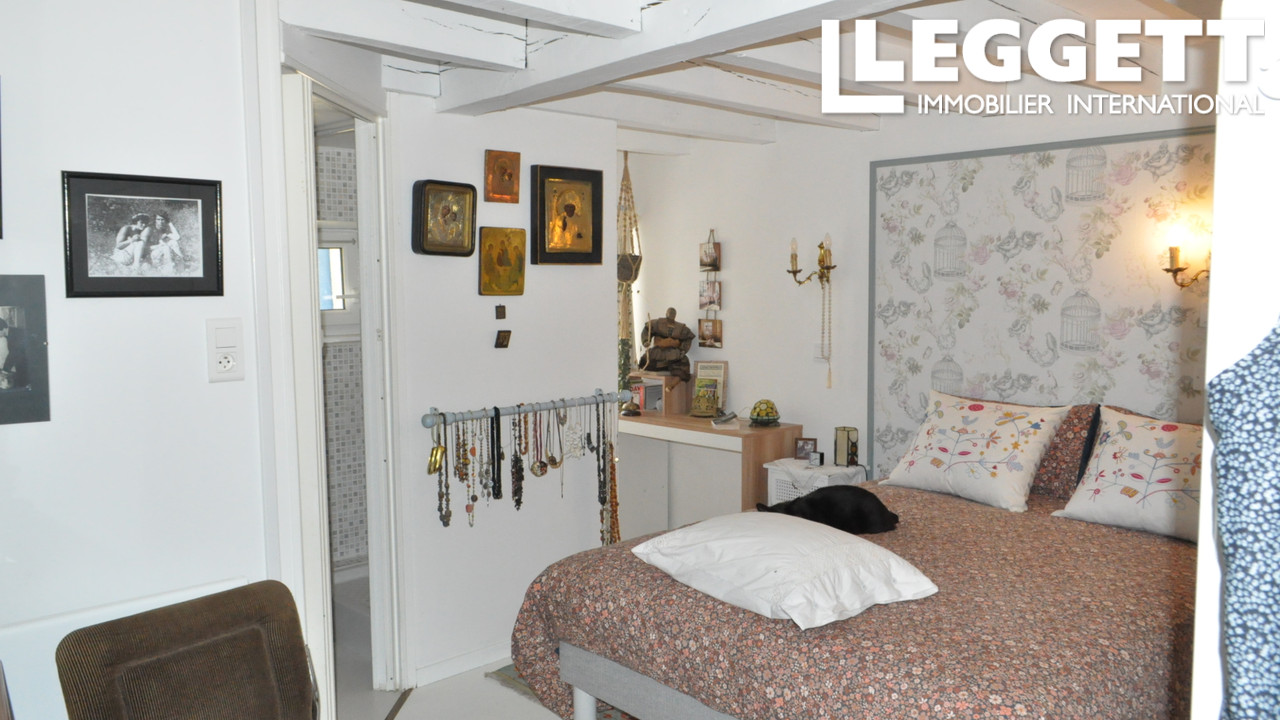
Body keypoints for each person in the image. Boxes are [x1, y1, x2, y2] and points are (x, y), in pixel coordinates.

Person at [638, 307, 695, 380]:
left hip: (674, 352)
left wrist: (683, 350)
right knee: (646, 359)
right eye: (670, 313)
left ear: (675, 315)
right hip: (658, 351)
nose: (671, 315)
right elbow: (647, 329)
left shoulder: (681, 327)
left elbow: (688, 337)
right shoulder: (657, 323)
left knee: (682, 362)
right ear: (666, 314)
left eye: (673, 314)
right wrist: (646, 341)